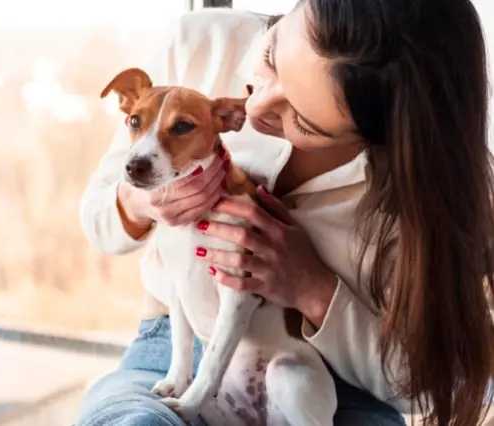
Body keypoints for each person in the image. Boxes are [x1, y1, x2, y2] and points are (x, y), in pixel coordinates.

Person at [76, 0, 494, 425]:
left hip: (330, 379)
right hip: (169, 351)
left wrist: (313, 290)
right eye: (270, 56)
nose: (253, 109)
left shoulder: (423, 193)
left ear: (382, 133)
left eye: (305, 121)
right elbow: (97, 221)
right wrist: (144, 201)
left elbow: (429, 381)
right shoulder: (199, 41)